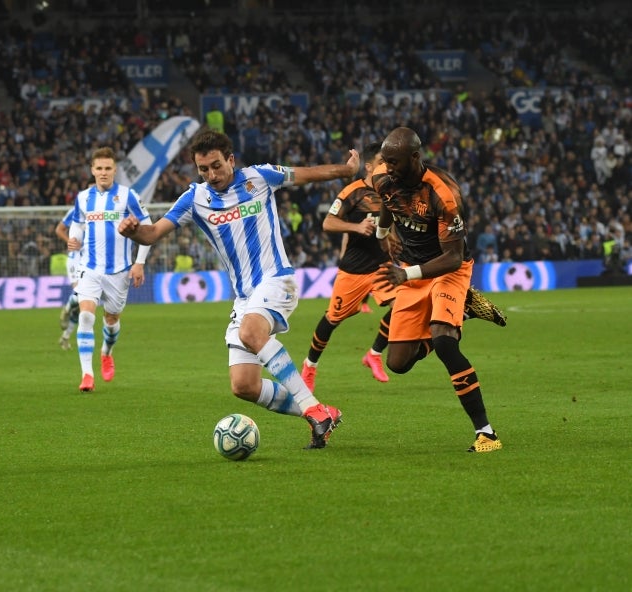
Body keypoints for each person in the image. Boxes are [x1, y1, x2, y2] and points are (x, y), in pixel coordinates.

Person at [118, 129, 360, 450]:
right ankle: (323, 412)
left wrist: (347, 171)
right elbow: (152, 234)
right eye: (203, 169)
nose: (211, 174)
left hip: (277, 279)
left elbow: (308, 175)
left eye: (216, 165)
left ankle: (313, 410)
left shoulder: (259, 177)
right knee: (244, 386)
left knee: (250, 332)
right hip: (245, 296)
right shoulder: (195, 198)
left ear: (231, 160)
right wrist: (134, 232)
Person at [372, 127, 501, 452]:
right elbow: (388, 203)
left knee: (445, 343)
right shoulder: (383, 178)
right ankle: (465, 311)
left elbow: (453, 257)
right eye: (386, 161)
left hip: (447, 270)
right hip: (411, 273)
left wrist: (406, 273)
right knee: (398, 363)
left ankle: (486, 434)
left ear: (415, 157)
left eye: (395, 162)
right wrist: (382, 232)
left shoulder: (443, 195)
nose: (389, 168)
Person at [301, 142, 396, 389]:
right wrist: (356, 227)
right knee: (332, 320)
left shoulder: (391, 193)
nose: (387, 167)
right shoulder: (352, 192)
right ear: (369, 166)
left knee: (403, 306)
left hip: (381, 266)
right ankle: (309, 367)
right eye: (382, 162)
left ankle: (374, 354)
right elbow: (328, 223)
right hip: (354, 270)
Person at [67, 147, 152, 392]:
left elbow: (148, 228)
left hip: (119, 271)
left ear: (115, 170)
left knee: (111, 319)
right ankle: (86, 375)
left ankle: (107, 351)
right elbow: (77, 224)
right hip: (89, 267)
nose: (103, 173)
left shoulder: (129, 196)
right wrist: (75, 239)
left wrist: (140, 262)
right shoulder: (83, 198)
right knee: (85, 315)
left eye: (108, 168)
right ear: (92, 170)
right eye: (99, 168)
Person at [55, 207, 81, 350]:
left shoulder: (103, 210)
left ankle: (65, 337)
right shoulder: (77, 209)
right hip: (75, 259)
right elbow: (59, 229)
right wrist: (70, 242)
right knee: (81, 293)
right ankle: (67, 308)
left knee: (83, 305)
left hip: (91, 260)